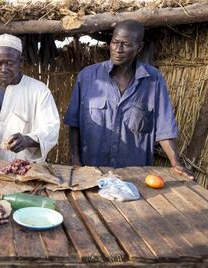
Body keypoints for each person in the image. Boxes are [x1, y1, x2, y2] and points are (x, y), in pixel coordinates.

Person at [63, 20, 193, 179]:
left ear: (139, 47)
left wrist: (175, 162)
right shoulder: (88, 77)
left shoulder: (153, 80)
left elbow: (164, 127)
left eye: (126, 44)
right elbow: (74, 124)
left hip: (134, 176)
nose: (118, 49)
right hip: (92, 173)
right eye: (115, 42)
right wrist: (76, 162)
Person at [0, 33, 60, 163]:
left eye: (10, 63)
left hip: (21, 170)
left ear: (21, 62)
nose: (3, 69)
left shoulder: (39, 91)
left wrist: (27, 140)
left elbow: (50, 129)